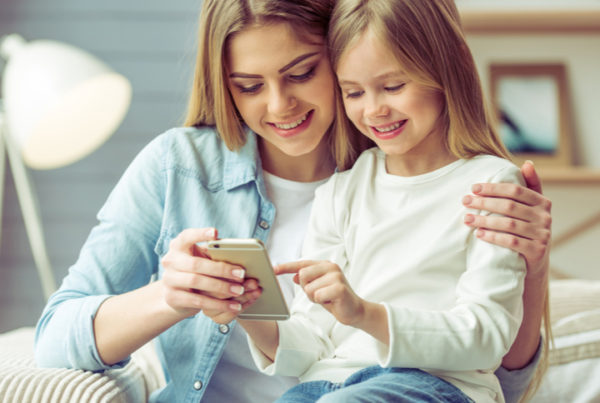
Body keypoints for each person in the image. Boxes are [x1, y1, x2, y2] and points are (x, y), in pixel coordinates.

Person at [33, 0, 550, 402]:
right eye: (248, 86)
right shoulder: (182, 168)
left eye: (302, 73)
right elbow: (56, 338)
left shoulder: (410, 163)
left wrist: (535, 266)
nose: (279, 106)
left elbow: (494, 379)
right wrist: (175, 297)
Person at [233, 0, 550, 402]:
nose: (374, 109)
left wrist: (365, 314)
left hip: (436, 384)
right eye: (353, 92)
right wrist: (248, 311)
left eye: (393, 86)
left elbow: (486, 337)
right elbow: (310, 342)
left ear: (442, 71)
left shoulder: (490, 183)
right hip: (328, 384)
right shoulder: (342, 191)